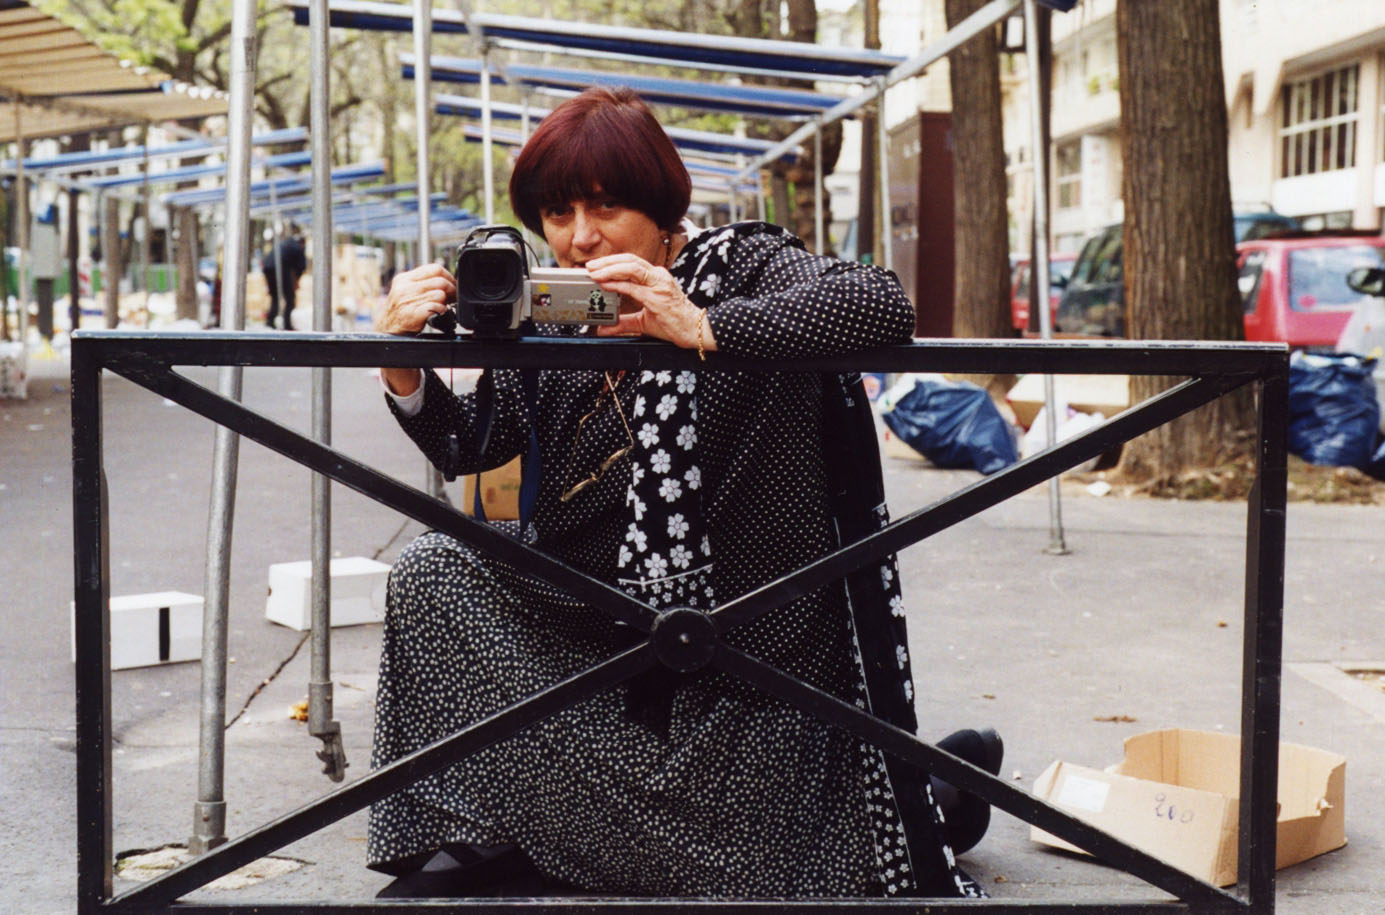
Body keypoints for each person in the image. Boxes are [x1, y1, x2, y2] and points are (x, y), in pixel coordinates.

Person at [369, 87, 997, 899]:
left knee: (793, 849)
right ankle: (495, 829)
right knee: (431, 572)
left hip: (738, 659)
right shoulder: (555, 306)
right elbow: (473, 445)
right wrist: (401, 364)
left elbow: (878, 303)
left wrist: (702, 325)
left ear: (662, 205)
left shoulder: (738, 266)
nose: (581, 236)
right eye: (557, 213)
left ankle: (930, 796)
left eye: (606, 205)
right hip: (591, 626)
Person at [262, 227, 307, 330]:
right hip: (280, 268)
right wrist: (296, 282)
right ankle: (287, 325)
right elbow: (300, 268)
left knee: (275, 297)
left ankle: (270, 321)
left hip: (268, 267)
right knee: (290, 299)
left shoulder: (286, 243)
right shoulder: (298, 248)